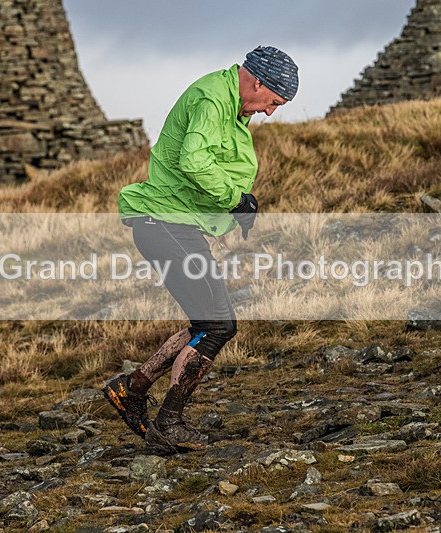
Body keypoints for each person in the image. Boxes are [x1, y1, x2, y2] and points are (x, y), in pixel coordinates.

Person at [103, 46, 299, 455]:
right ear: (257, 81)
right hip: (164, 224)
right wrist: (234, 198)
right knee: (218, 326)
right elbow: (194, 160)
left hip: (170, 226)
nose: (270, 112)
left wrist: (241, 204)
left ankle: (132, 388)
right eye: (274, 102)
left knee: (206, 324)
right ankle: (168, 422)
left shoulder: (230, 103)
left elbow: (207, 162)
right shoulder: (213, 97)